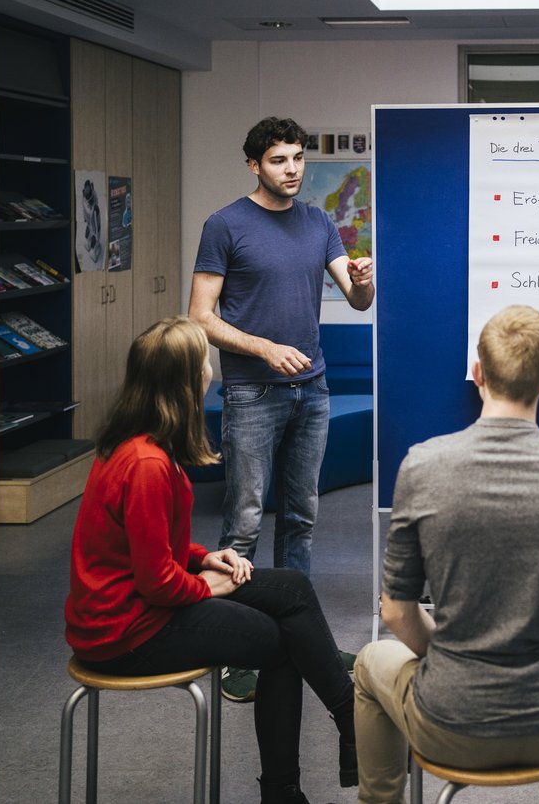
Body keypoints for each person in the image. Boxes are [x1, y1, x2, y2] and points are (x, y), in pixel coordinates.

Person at [63, 317, 358, 804]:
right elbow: (158, 583)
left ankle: (345, 723)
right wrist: (208, 585)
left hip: (127, 611)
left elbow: (151, 543)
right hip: (125, 631)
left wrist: (207, 556)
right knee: (282, 642)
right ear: (185, 383)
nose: (209, 370)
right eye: (204, 362)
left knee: (290, 588)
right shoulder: (148, 465)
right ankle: (303, 771)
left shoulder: (137, 445)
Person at [353, 305, 539, 804]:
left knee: (368, 664)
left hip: (453, 723)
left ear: (478, 373)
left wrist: (456, 660)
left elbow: (395, 611)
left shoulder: (423, 466)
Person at [190, 116, 375, 701]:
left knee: (301, 518)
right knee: (243, 522)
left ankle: (302, 638)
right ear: (254, 164)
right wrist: (265, 347)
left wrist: (367, 280)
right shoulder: (225, 225)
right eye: (279, 160)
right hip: (251, 391)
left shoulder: (320, 221)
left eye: (297, 158)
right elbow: (200, 316)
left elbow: (357, 296)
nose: (292, 169)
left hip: (312, 390)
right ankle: (230, 648)